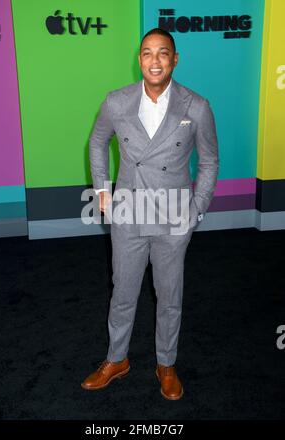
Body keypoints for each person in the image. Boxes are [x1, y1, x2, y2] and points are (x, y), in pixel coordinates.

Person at [81, 28, 219, 400]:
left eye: (162, 53)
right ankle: (117, 359)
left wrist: (196, 210)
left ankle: (166, 363)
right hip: (128, 212)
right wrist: (102, 190)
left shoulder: (196, 106)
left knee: (169, 295)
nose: (154, 60)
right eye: (146, 53)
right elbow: (97, 141)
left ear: (175, 59)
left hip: (174, 216)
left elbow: (208, 160)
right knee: (123, 292)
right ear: (138, 59)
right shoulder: (116, 102)